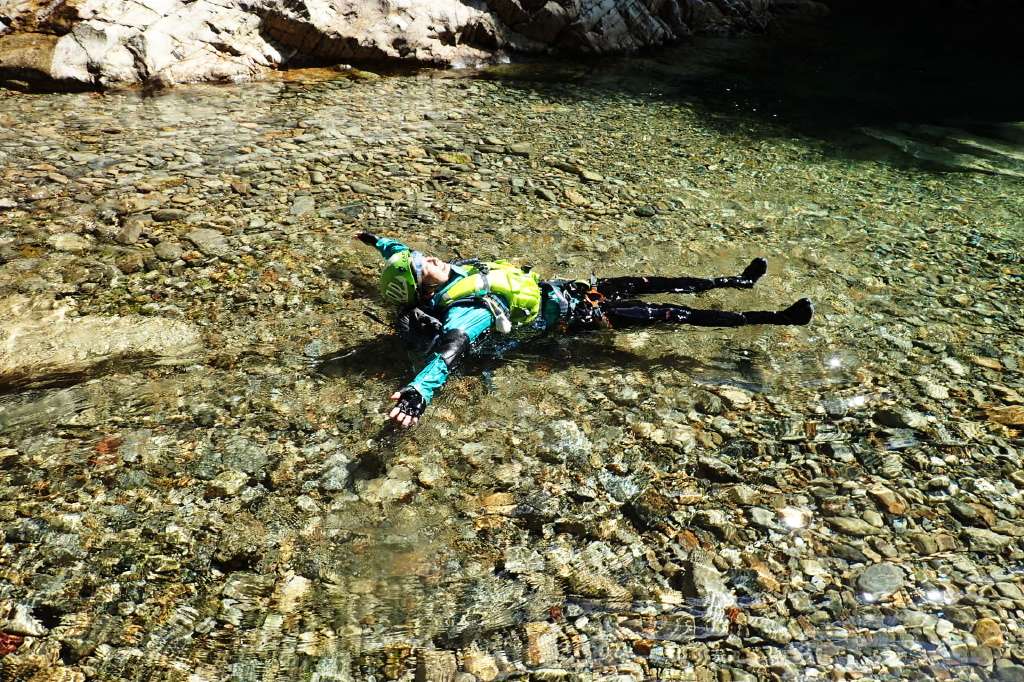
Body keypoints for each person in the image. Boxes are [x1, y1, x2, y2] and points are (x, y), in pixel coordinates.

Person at [354, 231, 814, 428]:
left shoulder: (446, 272)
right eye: (419, 265)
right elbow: (451, 350)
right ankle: (776, 318)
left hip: (573, 290)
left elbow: (399, 253)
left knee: (661, 280)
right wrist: (419, 391)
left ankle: (737, 282)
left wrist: (378, 242)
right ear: (421, 286)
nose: (425, 257)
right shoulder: (467, 310)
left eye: (419, 256)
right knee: (673, 313)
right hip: (581, 318)